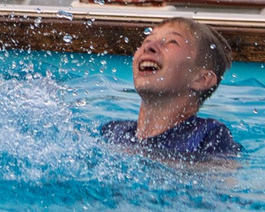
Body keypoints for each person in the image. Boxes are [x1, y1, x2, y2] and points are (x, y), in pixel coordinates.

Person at [99, 18, 240, 159]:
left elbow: (224, 176)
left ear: (201, 79)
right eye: (147, 41)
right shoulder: (114, 131)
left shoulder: (209, 136)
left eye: (172, 42)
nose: (149, 47)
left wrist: (146, 157)